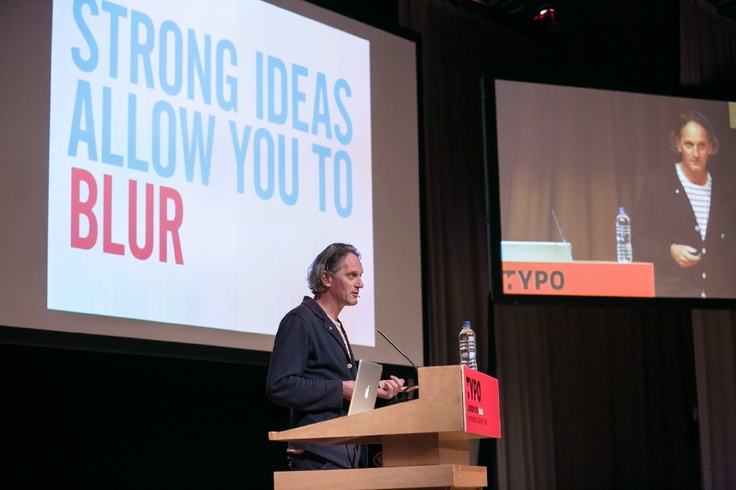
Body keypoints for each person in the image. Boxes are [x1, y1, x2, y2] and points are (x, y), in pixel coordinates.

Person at [266, 243, 408, 470]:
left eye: (360, 276)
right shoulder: (301, 320)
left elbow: (334, 380)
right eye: (352, 275)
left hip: (346, 454)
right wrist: (342, 389)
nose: (360, 284)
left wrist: (375, 388)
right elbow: (280, 385)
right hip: (318, 456)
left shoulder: (336, 325)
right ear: (326, 278)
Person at [632, 110, 736, 298]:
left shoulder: (726, 191)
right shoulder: (658, 183)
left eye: (701, 146)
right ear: (678, 144)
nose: (695, 153)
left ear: (711, 147)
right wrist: (669, 252)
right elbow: (639, 239)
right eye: (689, 145)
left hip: (719, 294)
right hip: (673, 293)